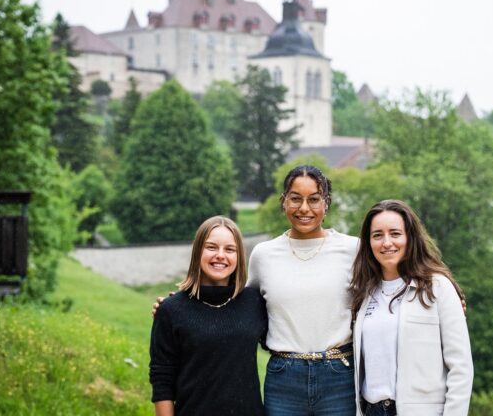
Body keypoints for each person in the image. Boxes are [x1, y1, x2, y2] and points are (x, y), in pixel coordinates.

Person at [248, 164, 358, 416]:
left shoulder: (354, 250)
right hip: (284, 376)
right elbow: (239, 307)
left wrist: (445, 290)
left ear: (326, 203)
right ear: (283, 202)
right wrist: (179, 305)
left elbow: (396, 280)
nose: (304, 208)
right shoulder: (263, 255)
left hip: (339, 374)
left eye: (314, 199)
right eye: (295, 199)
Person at [350, 199, 473, 416]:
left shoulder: (438, 287)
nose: (386, 242)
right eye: (377, 235)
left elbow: (460, 367)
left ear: (410, 238)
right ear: (368, 242)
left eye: (395, 233)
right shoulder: (364, 292)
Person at [149, 216, 267, 416]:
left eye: (230, 249)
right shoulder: (170, 310)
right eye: (211, 247)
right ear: (197, 252)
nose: (220, 255)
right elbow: (162, 379)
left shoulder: (254, 302)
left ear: (239, 256)